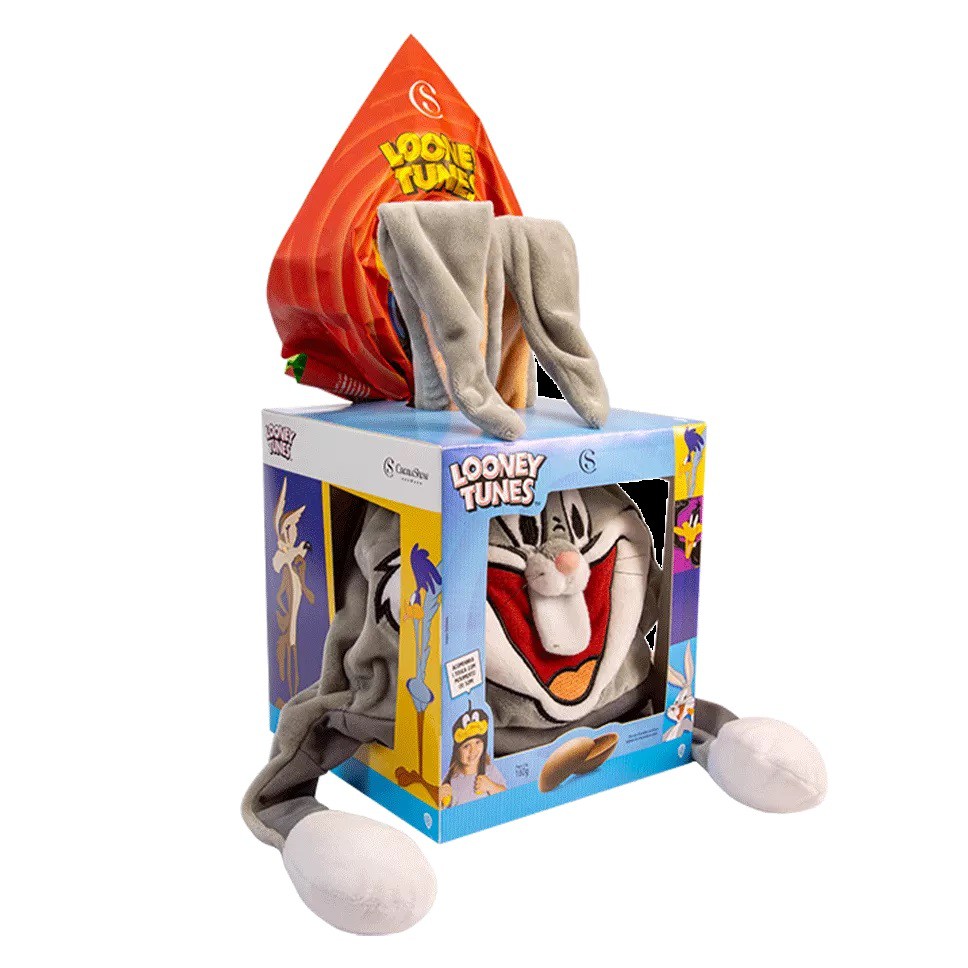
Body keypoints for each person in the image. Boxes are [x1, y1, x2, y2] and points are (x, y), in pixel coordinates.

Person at [439, 701, 506, 807]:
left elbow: (505, 795)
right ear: (456, 752)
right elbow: (443, 809)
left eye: (478, 742)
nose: (473, 750)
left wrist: (491, 786)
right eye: (466, 746)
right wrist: (440, 799)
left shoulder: (489, 770)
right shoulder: (451, 779)